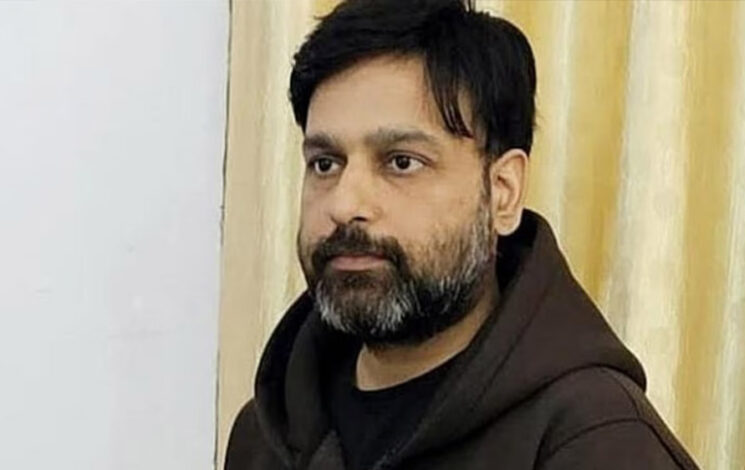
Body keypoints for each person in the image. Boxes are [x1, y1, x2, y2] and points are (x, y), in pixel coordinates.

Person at [225, 0, 699, 468]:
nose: (344, 204)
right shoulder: (269, 435)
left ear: (503, 192)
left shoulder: (598, 442)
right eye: (325, 164)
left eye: (401, 162)